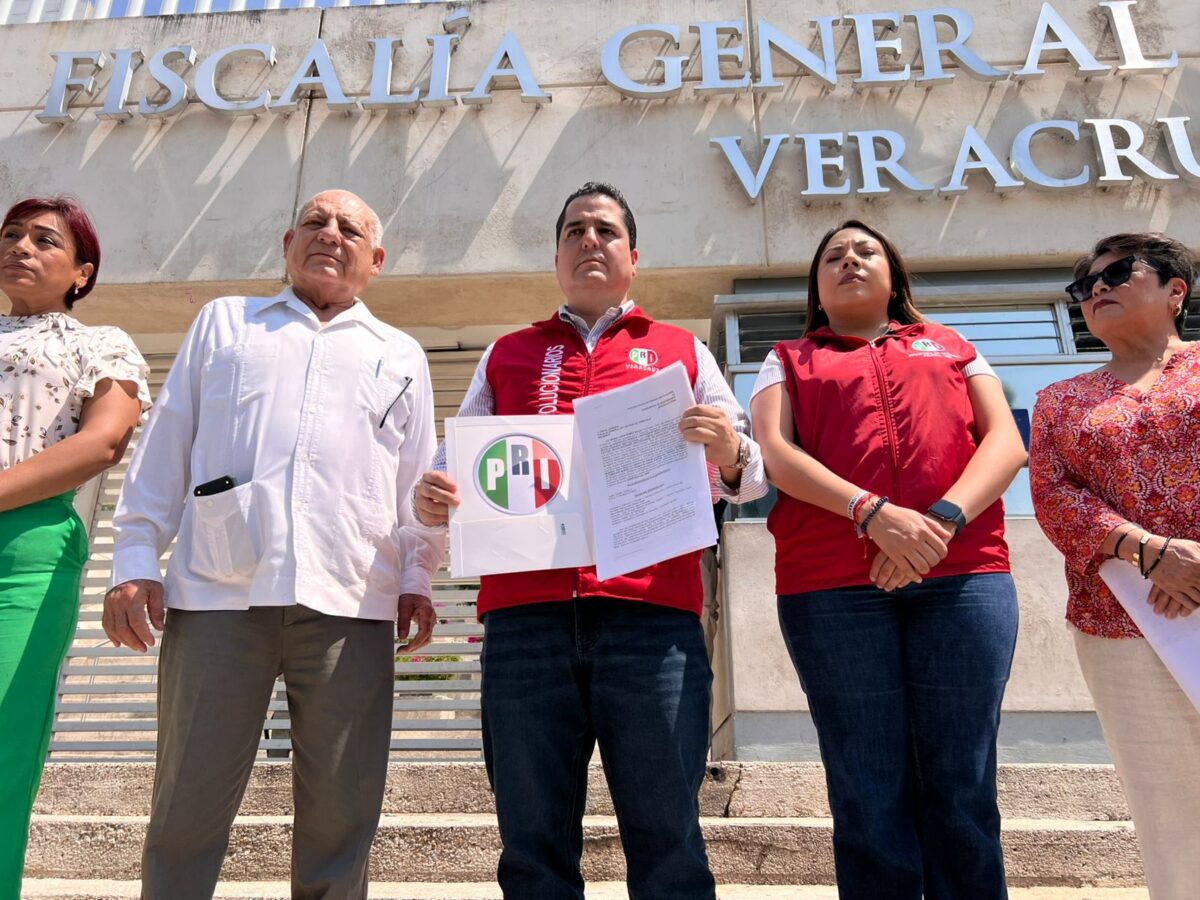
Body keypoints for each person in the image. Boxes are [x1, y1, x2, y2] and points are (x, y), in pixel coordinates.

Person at [414, 182, 768, 900]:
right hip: (525, 625)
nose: (589, 241)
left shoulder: (682, 351)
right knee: (532, 848)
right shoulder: (506, 353)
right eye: (575, 230)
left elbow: (750, 475)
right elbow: (453, 468)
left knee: (669, 843)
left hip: (653, 623)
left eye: (606, 230)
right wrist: (432, 497)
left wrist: (730, 451)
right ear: (556, 258)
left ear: (634, 258)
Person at [103, 190, 444, 900]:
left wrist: (418, 578)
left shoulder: (400, 354)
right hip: (218, 594)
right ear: (288, 244)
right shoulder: (227, 324)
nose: (330, 234)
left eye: (349, 229)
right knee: (187, 802)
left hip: (353, 599)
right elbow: (165, 447)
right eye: (315, 222)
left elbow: (415, 486)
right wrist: (135, 560)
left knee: (343, 814)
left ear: (376, 261)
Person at [749, 220, 1027, 900]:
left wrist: (938, 524)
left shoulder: (954, 346)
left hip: (963, 577)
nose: (850, 260)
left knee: (962, 783)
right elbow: (776, 455)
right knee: (867, 786)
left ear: (893, 275)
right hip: (831, 588)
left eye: (865, 251)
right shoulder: (786, 358)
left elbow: (1006, 444)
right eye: (833, 257)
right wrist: (873, 514)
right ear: (816, 287)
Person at [1029, 233, 1200, 900]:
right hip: (1121, 624)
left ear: (1176, 291)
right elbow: (1053, 494)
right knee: (1170, 811)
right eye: (1085, 285)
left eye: (1119, 272)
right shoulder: (1059, 400)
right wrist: (1150, 554)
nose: (1097, 288)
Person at [0, 196, 149, 900]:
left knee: (5, 731)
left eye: (44, 240)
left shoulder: (101, 343)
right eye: (11, 235)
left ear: (81, 272)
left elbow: (103, 442)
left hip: (27, 548)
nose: (20, 247)